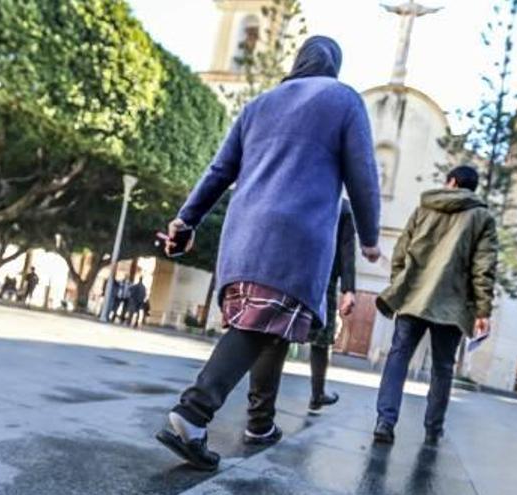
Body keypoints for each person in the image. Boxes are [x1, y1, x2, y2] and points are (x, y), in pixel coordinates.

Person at [155, 36, 382, 471]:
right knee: (261, 324)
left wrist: (186, 220)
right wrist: (370, 237)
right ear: (334, 65)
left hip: (243, 232)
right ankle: (192, 414)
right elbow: (363, 173)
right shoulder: (343, 99)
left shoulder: (260, 103)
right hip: (295, 236)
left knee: (270, 325)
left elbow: (219, 170)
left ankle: (260, 423)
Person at [372, 165, 498, 446]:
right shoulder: (482, 218)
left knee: (398, 357)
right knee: (442, 368)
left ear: (451, 182)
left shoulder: (423, 209)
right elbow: (484, 268)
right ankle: (433, 430)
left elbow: (401, 251)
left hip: (413, 298)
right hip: (452, 305)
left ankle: (385, 421)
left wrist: (400, 285)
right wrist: (482, 310)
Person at [308, 198, 357, 412]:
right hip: (323, 277)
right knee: (322, 338)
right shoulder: (342, 206)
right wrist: (349, 289)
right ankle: (317, 394)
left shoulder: (299, 191)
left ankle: (261, 404)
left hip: (289, 270)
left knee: (277, 334)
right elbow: (347, 250)